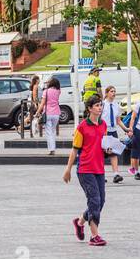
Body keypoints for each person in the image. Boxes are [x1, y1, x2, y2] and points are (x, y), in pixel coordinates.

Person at [64, 95, 108, 247]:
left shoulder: (103, 125)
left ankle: (80, 221)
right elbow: (75, 150)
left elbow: (102, 145)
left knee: (100, 201)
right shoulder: (82, 127)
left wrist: (108, 149)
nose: (99, 108)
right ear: (89, 108)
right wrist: (68, 169)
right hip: (85, 169)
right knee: (94, 200)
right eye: (96, 105)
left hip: (99, 168)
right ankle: (94, 236)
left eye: (100, 105)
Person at [101, 85, 128, 181]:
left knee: (114, 153)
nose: (114, 93)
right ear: (107, 93)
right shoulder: (102, 105)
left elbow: (118, 120)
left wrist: (126, 129)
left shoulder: (116, 105)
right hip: (104, 131)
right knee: (102, 154)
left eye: (114, 91)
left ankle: (116, 174)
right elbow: (99, 119)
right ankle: (101, 175)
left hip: (113, 131)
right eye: (111, 91)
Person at [40, 75, 62, 154]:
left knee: (49, 132)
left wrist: (37, 112)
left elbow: (42, 103)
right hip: (56, 113)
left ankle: (51, 149)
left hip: (48, 113)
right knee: (52, 131)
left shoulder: (46, 91)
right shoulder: (58, 91)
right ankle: (52, 148)